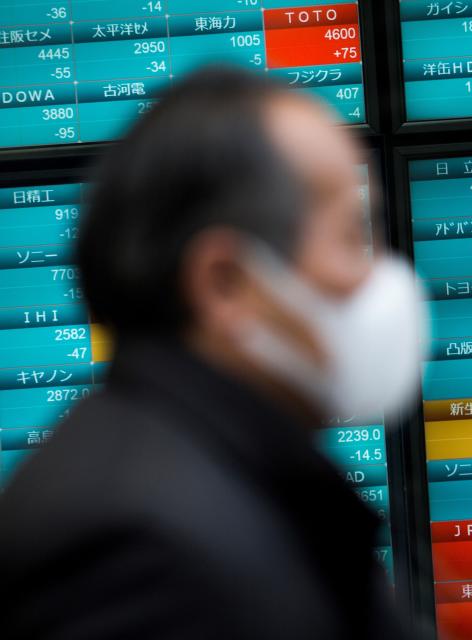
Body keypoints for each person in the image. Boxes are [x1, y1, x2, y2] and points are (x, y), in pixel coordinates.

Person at [0, 67, 424, 639]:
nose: (381, 280)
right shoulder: (137, 553)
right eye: (352, 237)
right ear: (225, 283)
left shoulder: (237, 489)